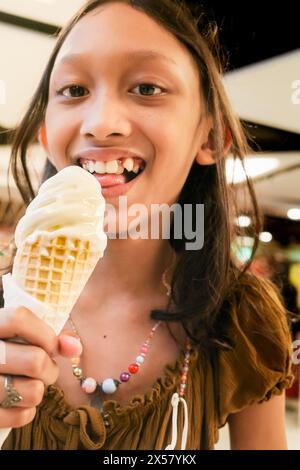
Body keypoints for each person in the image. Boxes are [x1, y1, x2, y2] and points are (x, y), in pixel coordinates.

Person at [0, 0, 294, 450]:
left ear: (211, 137)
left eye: (147, 87)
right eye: (75, 90)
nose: (100, 124)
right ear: (46, 134)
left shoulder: (241, 319)